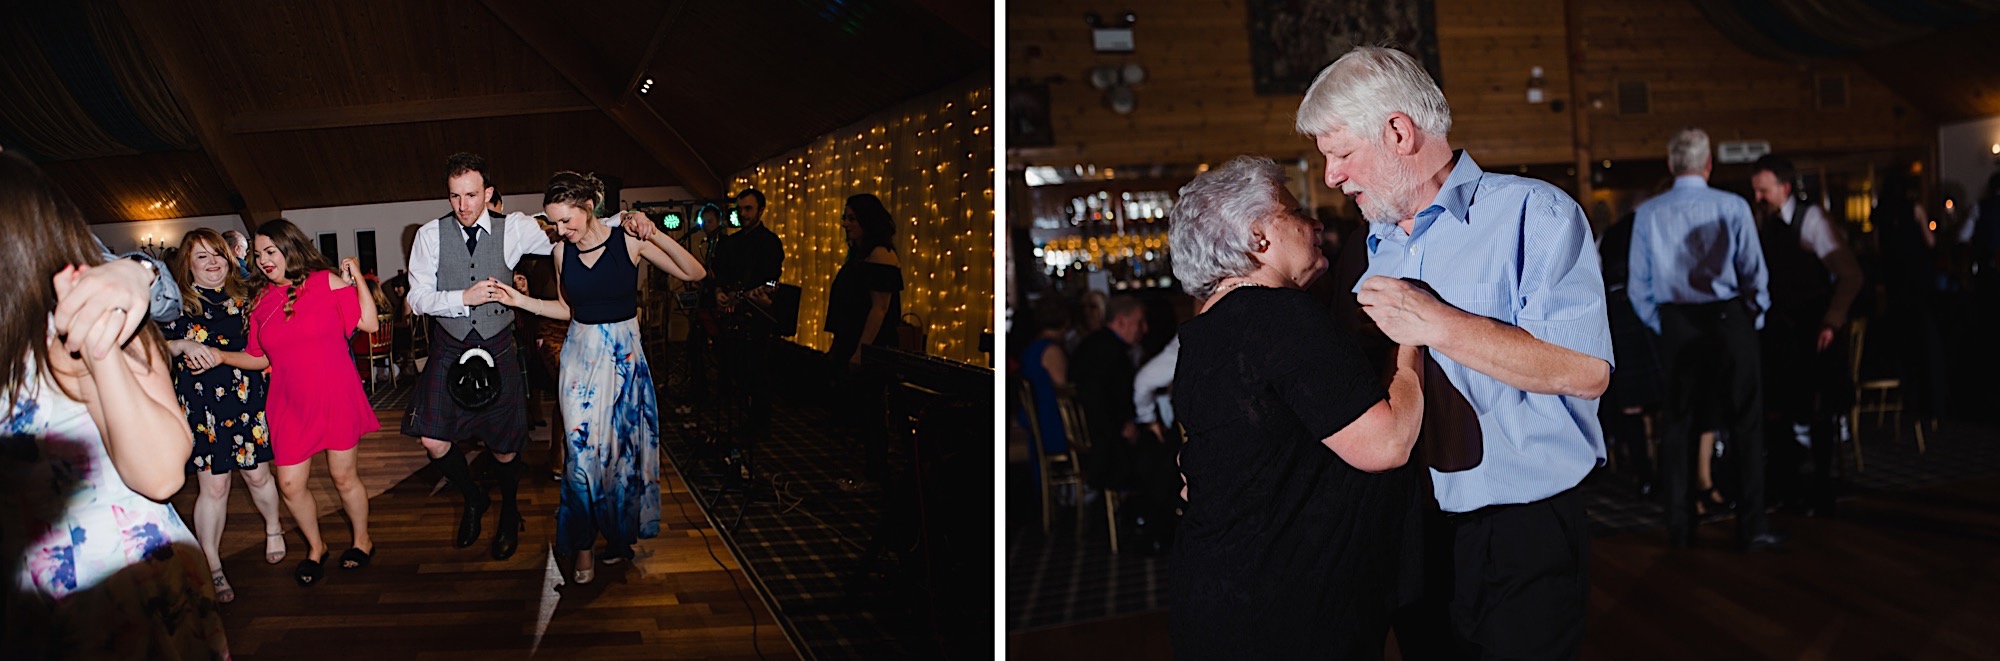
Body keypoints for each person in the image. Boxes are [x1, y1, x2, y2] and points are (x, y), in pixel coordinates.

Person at [1296, 46, 1613, 657]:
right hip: (1411, 526)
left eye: (1340, 153)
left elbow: (1586, 371)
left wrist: (1439, 323)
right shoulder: (1368, 247)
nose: (1332, 175)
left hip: (1521, 519)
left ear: (1397, 131)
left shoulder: (1534, 212)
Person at [1166, 155, 1425, 658]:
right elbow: (1388, 444)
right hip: (1287, 603)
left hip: (1218, 592)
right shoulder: (1280, 317)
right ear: (1257, 237)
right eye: (1296, 211)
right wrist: (1410, 340)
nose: (1315, 222)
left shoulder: (1204, 334)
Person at [0, 150, 227, 657]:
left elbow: (164, 474)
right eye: (202, 256)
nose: (214, 264)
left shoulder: (99, 326)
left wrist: (132, 280)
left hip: (122, 590)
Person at [402, 152, 655, 561]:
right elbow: (416, 298)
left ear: (487, 192)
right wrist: (460, 299)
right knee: (431, 439)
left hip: (498, 342)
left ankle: (509, 512)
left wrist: (628, 219)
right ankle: (473, 498)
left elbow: (575, 228)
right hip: (450, 345)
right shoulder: (430, 235)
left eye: (471, 195)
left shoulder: (516, 228)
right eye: (454, 196)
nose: (463, 206)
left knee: (504, 447)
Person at [493, 171, 704, 583]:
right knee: (581, 461)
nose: (560, 230)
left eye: (567, 220)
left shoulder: (629, 240)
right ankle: (584, 546)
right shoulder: (560, 254)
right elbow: (569, 310)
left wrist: (654, 232)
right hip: (580, 364)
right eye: (554, 222)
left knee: (622, 461)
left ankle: (619, 539)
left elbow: (694, 273)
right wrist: (521, 300)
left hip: (624, 364)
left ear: (588, 208)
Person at [1628, 128, 1784, 554]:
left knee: (1677, 428)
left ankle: (1680, 530)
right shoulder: (1732, 206)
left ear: (1670, 165)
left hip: (1677, 324)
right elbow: (1755, 272)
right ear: (1709, 164)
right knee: (1746, 425)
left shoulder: (1648, 213)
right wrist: (1753, 316)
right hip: (1729, 318)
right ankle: (1752, 528)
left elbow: (1638, 286)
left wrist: (1663, 325)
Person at [213, 219, 381, 587]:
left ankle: (362, 540)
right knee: (289, 484)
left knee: (343, 476)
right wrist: (221, 356)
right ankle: (316, 547)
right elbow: (259, 358)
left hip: (335, 395)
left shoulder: (324, 282)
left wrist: (357, 281)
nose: (264, 261)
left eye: (271, 251)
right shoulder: (260, 301)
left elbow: (368, 323)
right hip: (288, 403)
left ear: (290, 248)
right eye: (258, 255)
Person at [162, 228, 288, 604]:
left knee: (257, 474)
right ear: (188, 264)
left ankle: (274, 527)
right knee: (213, 487)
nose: (213, 262)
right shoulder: (174, 305)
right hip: (201, 406)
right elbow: (146, 345)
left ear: (229, 257)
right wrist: (180, 344)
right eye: (202, 256)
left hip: (246, 398)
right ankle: (213, 566)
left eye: (217, 253)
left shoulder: (249, 296)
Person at [1749, 155, 1861, 514]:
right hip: (1779, 331)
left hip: (1813, 329)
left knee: (1818, 412)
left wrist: (1832, 319)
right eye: (1755, 191)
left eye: (1764, 191)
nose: (1758, 198)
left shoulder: (1812, 220)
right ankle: (1787, 487)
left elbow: (1850, 275)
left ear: (1784, 188)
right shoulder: (1762, 222)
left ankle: (1823, 489)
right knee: (1777, 412)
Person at [825, 193, 904, 493]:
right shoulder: (862, 254)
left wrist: (861, 350)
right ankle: (871, 470)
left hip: (871, 346)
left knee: (872, 413)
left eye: (852, 218)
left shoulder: (880, 255)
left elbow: (880, 309)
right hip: (854, 340)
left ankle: (876, 475)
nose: (845, 224)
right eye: (845, 217)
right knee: (863, 411)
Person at [704, 187, 785, 463]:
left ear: (760, 210)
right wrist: (719, 293)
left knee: (757, 369)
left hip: (756, 317)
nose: (743, 214)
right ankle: (736, 416)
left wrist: (753, 295)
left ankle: (759, 421)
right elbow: (717, 275)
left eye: (748, 209)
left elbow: (773, 280)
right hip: (730, 316)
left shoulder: (770, 242)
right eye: (740, 209)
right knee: (732, 366)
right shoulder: (731, 243)